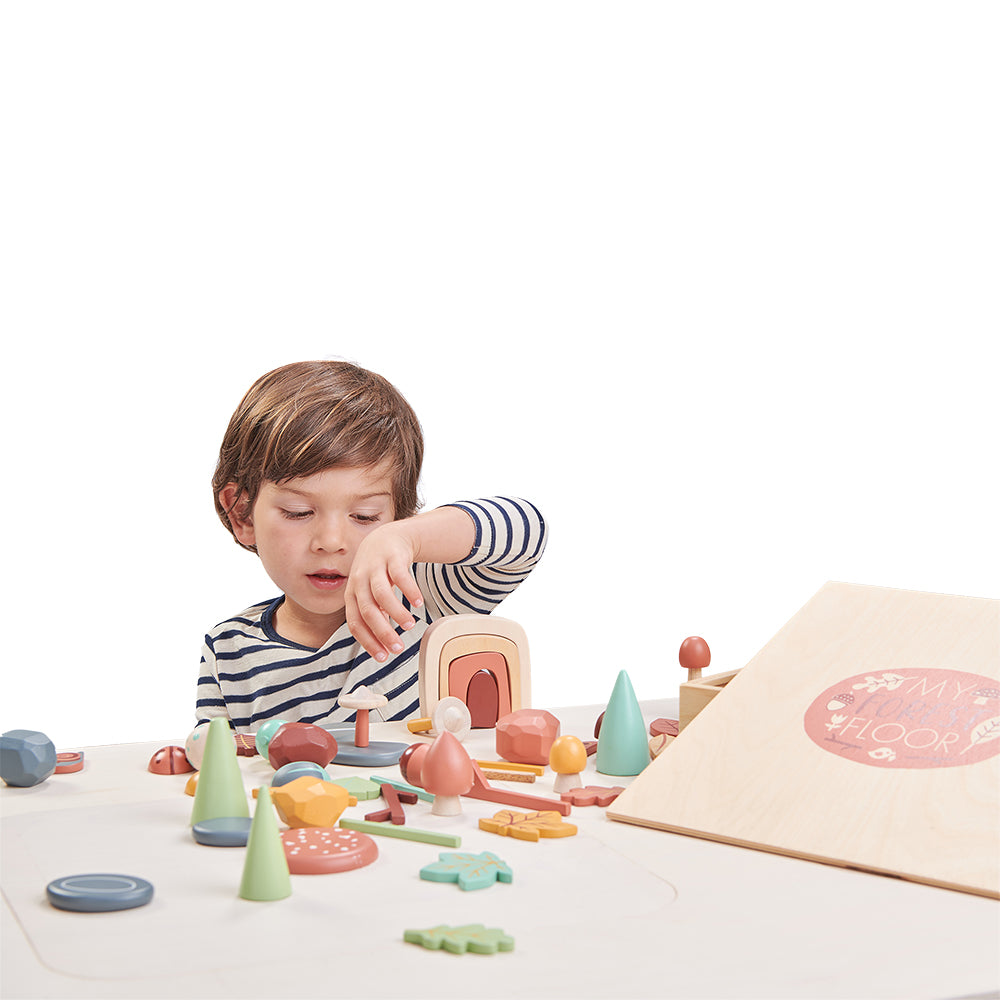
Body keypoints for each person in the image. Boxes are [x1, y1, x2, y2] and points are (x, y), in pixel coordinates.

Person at [195, 360, 546, 733]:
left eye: (364, 517)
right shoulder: (228, 650)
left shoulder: (420, 597)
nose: (331, 542)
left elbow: (527, 530)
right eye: (298, 512)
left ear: (399, 515)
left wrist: (406, 538)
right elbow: (215, 764)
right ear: (242, 513)